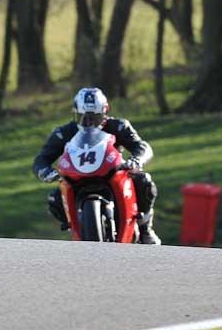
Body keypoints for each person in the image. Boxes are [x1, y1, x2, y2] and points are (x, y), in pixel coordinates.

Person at [33, 87, 162, 245]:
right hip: (77, 176)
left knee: (144, 182)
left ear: (104, 111)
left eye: (94, 117)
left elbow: (141, 146)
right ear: (75, 113)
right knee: (55, 198)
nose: (88, 122)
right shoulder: (63, 132)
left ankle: (145, 229)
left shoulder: (119, 126)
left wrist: (136, 160)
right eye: (82, 117)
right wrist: (45, 172)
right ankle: (75, 226)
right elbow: (42, 158)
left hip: (111, 171)